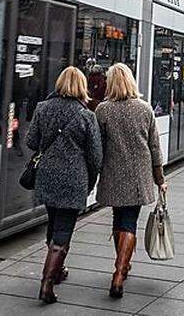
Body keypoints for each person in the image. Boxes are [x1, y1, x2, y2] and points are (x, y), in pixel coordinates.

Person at [25, 66, 102, 305]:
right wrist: (91, 177)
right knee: (64, 229)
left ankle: (57, 271)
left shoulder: (42, 108)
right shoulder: (86, 115)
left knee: (53, 222)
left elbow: (31, 141)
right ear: (82, 87)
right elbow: (95, 154)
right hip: (73, 178)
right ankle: (47, 282)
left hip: (47, 176)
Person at [94, 63, 166, 299]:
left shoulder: (103, 110)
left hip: (113, 173)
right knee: (129, 221)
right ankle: (119, 272)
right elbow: (155, 147)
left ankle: (121, 267)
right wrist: (160, 179)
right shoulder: (144, 109)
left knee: (118, 218)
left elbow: (98, 147)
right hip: (137, 176)